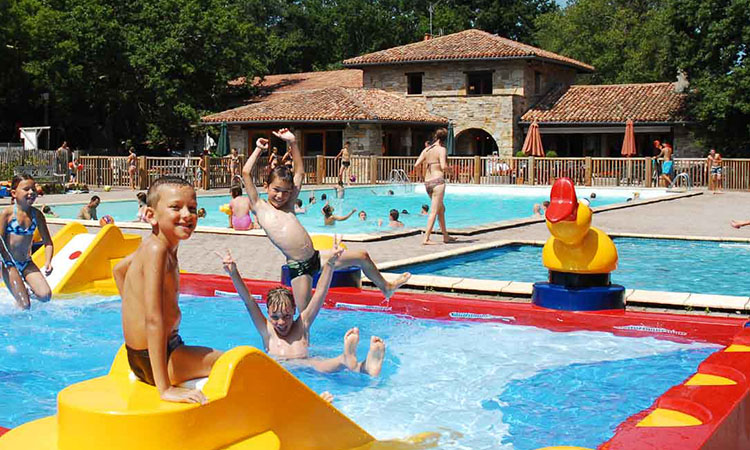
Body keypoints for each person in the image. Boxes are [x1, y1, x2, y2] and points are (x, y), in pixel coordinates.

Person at [241, 129, 411, 312]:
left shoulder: (289, 205)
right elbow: (246, 173)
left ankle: (386, 287)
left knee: (362, 256)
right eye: (276, 190)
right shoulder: (260, 206)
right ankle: (302, 340)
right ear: (266, 187)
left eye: (286, 191)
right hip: (299, 268)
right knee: (305, 315)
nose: (281, 195)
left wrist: (293, 142)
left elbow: (299, 172)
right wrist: (258, 149)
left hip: (317, 257)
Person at [113, 177, 223, 404]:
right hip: (161, 359)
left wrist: (132, 308)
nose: (187, 215)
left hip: (149, 353)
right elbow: (154, 320)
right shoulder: (157, 250)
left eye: (192, 208)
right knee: (231, 362)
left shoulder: (155, 246)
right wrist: (165, 389)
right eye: (175, 207)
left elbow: (119, 270)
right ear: (151, 215)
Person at [218, 243, 385, 376]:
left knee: (315, 364)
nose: (281, 322)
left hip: (309, 373)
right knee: (318, 365)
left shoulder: (302, 324)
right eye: (275, 317)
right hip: (280, 377)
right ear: (268, 313)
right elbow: (248, 300)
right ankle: (350, 361)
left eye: (287, 316)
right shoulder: (267, 330)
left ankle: (365, 366)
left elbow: (320, 292)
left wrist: (330, 264)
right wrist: (233, 273)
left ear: (294, 311)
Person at [0, 175, 54, 309]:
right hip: (9, 264)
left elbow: (48, 242)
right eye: (26, 189)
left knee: (45, 296)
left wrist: (48, 262)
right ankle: (21, 295)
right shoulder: (7, 214)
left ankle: (26, 291)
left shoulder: (37, 215)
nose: (31, 192)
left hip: (26, 262)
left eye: (33, 189)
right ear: (13, 193)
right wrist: (4, 262)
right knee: (25, 305)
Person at [414, 128, 456, 245]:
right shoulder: (441, 149)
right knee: (434, 211)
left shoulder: (427, 150)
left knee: (441, 209)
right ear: (445, 139)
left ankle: (446, 236)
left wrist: (421, 177)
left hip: (428, 183)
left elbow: (416, 164)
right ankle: (426, 238)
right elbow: (443, 166)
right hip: (438, 181)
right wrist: (451, 172)